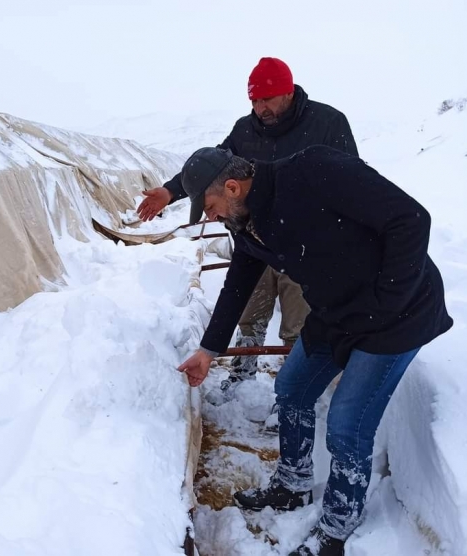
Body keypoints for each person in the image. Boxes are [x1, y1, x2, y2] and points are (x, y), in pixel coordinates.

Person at [176, 146, 452, 555]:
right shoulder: (246, 221)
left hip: (398, 314)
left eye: (211, 207)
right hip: (335, 311)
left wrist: (387, 303)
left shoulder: (313, 171)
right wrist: (208, 349)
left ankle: (336, 530)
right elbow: (239, 281)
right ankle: (292, 483)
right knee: (291, 387)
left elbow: (411, 220)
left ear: (232, 187)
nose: (210, 217)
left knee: (346, 425)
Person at [138, 58, 358, 403]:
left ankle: (293, 392)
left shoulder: (328, 123)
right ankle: (243, 372)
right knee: (250, 309)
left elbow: (352, 182)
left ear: (288, 91)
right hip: (255, 238)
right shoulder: (246, 130)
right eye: (254, 101)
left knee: (298, 322)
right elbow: (213, 168)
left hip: (305, 246)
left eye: (267, 99)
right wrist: (170, 191)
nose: (260, 108)